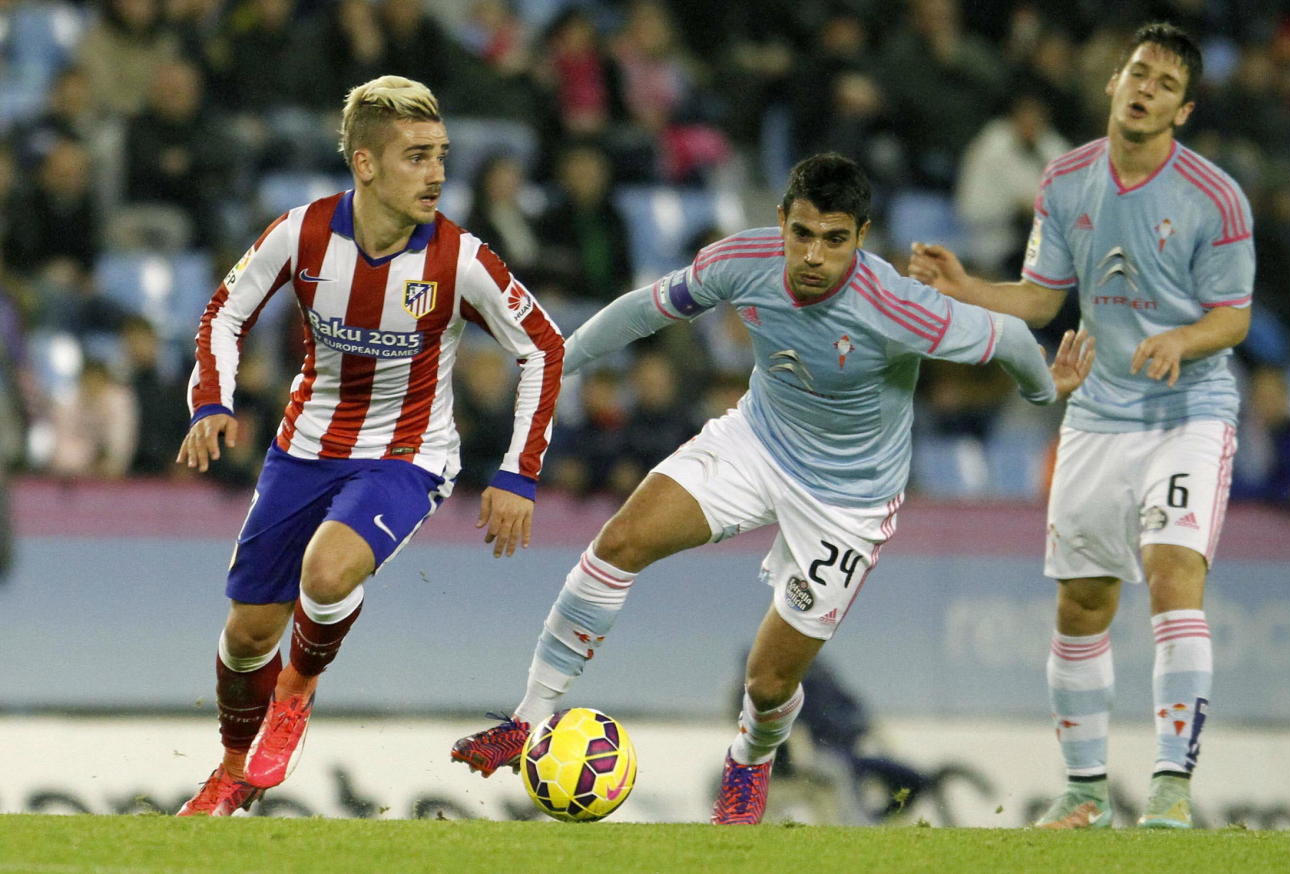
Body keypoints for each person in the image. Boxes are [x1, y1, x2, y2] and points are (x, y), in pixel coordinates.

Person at [450, 152, 1093, 825]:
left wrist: (1045, 388)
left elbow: (1014, 340)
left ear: (861, 237)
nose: (815, 255)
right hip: (757, 441)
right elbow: (645, 312)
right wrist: (552, 371)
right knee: (620, 541)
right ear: (782, 220)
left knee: (769, 680)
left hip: (849, 501)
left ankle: (751, 760)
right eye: (803, 233)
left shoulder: (900, 307)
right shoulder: (742, 260)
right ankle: (525, 721)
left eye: (836, 239)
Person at [174, 75, 564, 816]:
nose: (438, 173)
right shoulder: (301, 233)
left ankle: (297, 692)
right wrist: (212, 402)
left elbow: (543, 347)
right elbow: (223, 314)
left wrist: (519, 473)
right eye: (417, 156)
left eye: (442, 155)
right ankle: (230, 773)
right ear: (365, 164)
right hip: (305, 447)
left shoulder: (461, 259)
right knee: (247, 634)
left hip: (407, 454)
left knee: (325, 576)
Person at [908, 23, 1254, 830]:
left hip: (1187, 413)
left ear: (1184, 109)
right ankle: (1086, 793)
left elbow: (1234, 318)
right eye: (1137, 73)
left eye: (1165, 84)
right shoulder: (1064, 179)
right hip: (1098, 412)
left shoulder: (1216, 197)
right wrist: (966, 288)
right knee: (1084, 603)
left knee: (1173, 578)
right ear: (1112, 83)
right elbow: (1041, 299)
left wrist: (1182, 338)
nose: (1145, 89)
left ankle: (1170, 788)